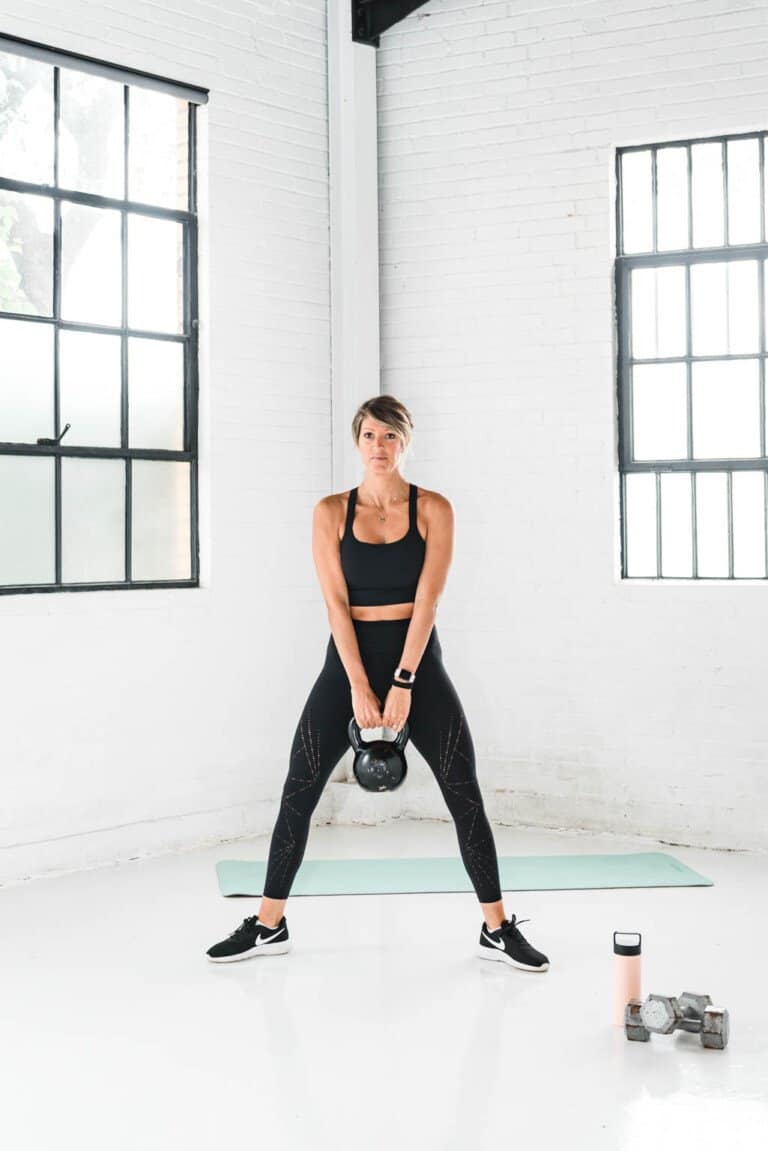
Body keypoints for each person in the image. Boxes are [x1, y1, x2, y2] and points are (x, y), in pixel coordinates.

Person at [207, 395, 549, 972]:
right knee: (299, 788)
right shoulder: (330, 511)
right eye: (369, 435)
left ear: (406, 440)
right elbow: (335, 603)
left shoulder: (435, 508)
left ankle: (496, 928)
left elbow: (429, 600)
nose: (379, 447)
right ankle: (269, 924)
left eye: (390, 436)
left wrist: (405, 681)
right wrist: (360, 687)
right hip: (348, 660)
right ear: (356, 442)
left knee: (463, 790)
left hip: (417, 660)